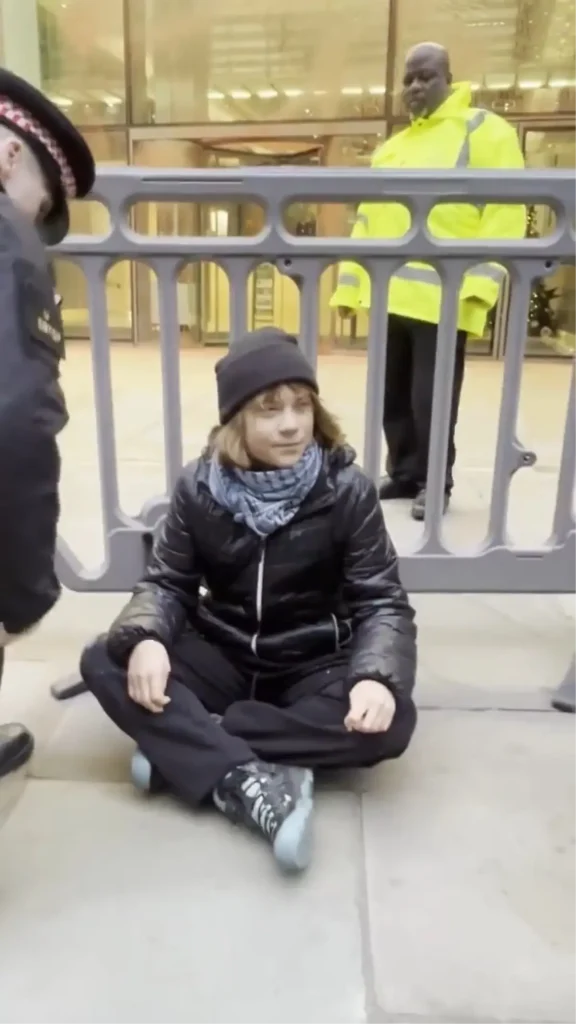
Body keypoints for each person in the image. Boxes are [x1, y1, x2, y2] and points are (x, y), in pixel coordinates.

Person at [81, 328, 417, 873]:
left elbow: (382, 601)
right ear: (237, 419)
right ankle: (255, 771)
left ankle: (192, 745)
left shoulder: (346, 489)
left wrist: (375, 678)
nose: (291, 423)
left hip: (315, 661)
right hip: (226, 651)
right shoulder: (199, 487)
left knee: (393, 718)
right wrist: (146, 638)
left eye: (301, 405)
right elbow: (167, 583)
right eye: (269, 410)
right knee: (105, 658)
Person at [330, 42, 526, 521]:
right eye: (408, 79)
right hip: (389, 297)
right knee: (391, 397)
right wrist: (350, 287)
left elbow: (506, 211)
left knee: (431, 400)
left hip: (443, 298)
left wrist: (479, 286)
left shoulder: (483, 130)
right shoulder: (392, 149)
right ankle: (405, 472)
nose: (415, 86)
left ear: (449, 78)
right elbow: (366, 223)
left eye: (427, 77)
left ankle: (437, 480)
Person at [0, 69, 95, 779]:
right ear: (8, 158)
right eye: (43, 204)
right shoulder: (9, 243)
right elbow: (16, 422)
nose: (36, 221)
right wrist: (23, 587)